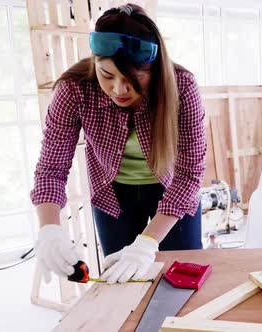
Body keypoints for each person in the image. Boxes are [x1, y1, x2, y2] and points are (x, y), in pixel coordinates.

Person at [31, 3, 206, 284]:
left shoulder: (182, 87)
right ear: (95, 63)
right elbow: (51, 168)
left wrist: (148, 243)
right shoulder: (74, 90)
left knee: (180, 279)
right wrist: (49, 229)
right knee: (121, 280)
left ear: (153, 68)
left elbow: (189, 174)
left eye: (133, 80)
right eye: (107, 75)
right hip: (113, 196)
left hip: (173, 190)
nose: (118, 90)